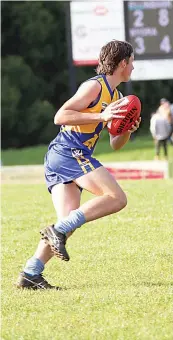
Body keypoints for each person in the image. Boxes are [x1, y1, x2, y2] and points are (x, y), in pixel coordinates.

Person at [16, 40, 141, 290]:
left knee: (66, 224)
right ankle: (57, 231)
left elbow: (116, 144)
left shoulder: (116, 96)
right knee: (116, 198)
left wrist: (127, 130)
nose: (133, 67)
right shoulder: (94, 86)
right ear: (123, 63)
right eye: (132, 62)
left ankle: (30, 273)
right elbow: (60, 116)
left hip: (65, 155)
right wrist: (101, 116)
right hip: (68, 151)